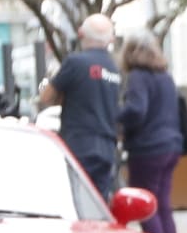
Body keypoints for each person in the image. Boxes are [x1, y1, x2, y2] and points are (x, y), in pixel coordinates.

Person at [39, 14, 126, 201]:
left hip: (79, 145)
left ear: (80, 33)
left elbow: (46, 97)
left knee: (76, 202)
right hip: (107, 147)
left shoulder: (75, 63)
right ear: (110, 39)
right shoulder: (114, 68)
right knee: (99, 203)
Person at [116, 32, 184, 233]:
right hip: (171, 146)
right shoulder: (165, 76)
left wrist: (113, 115)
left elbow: (137, 110)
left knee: (145, 206)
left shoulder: (138, 76)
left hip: (148, 149)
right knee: (163, 204)